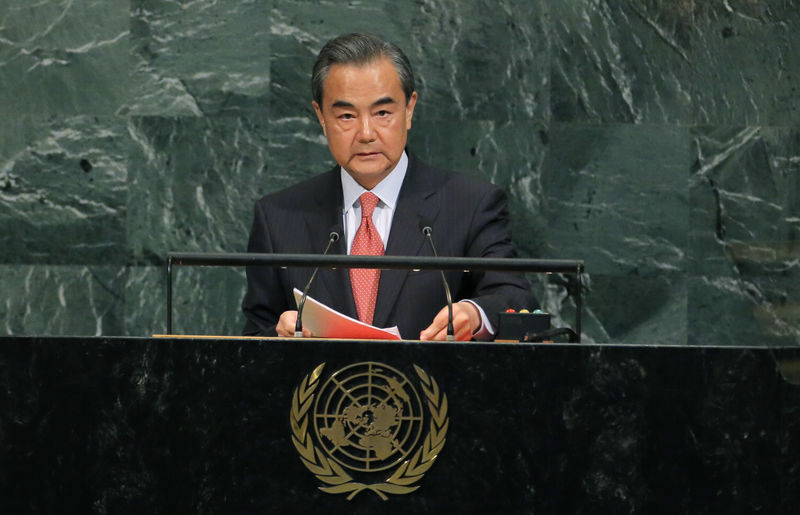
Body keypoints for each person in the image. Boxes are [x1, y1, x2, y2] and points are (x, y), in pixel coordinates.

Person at [242, 33, 535, 340]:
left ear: (409, 109)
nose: (366, 133)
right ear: (321, 117)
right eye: (346, 116)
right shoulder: (279, 217)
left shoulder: (470, 204)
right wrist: (277, 336)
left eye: (382, 113)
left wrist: (474, 314)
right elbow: (252, 335)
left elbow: (515, 296)